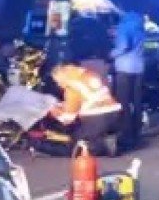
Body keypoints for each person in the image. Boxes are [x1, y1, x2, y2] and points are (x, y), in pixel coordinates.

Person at [48, 61, 124, 156]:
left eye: (58, 81)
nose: (59, 85)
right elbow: (88, 97)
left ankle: (104, 145)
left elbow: (67, 119)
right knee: (86, 134)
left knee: (75, 147)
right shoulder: (89, 74)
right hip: (115, 113)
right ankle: (109, 138)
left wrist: (53, 111)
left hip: (97, 118)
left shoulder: (71, 87)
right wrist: (64, 104)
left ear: (63, 76)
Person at [110, 10, 147, 149]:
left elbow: (124, 46)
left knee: (123, 102)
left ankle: (127, 133)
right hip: (139, 68)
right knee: (137, 101)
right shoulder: (140, 27)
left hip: (124, 68)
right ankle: (137, 131)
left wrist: (111, 54)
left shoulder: (123, 27)